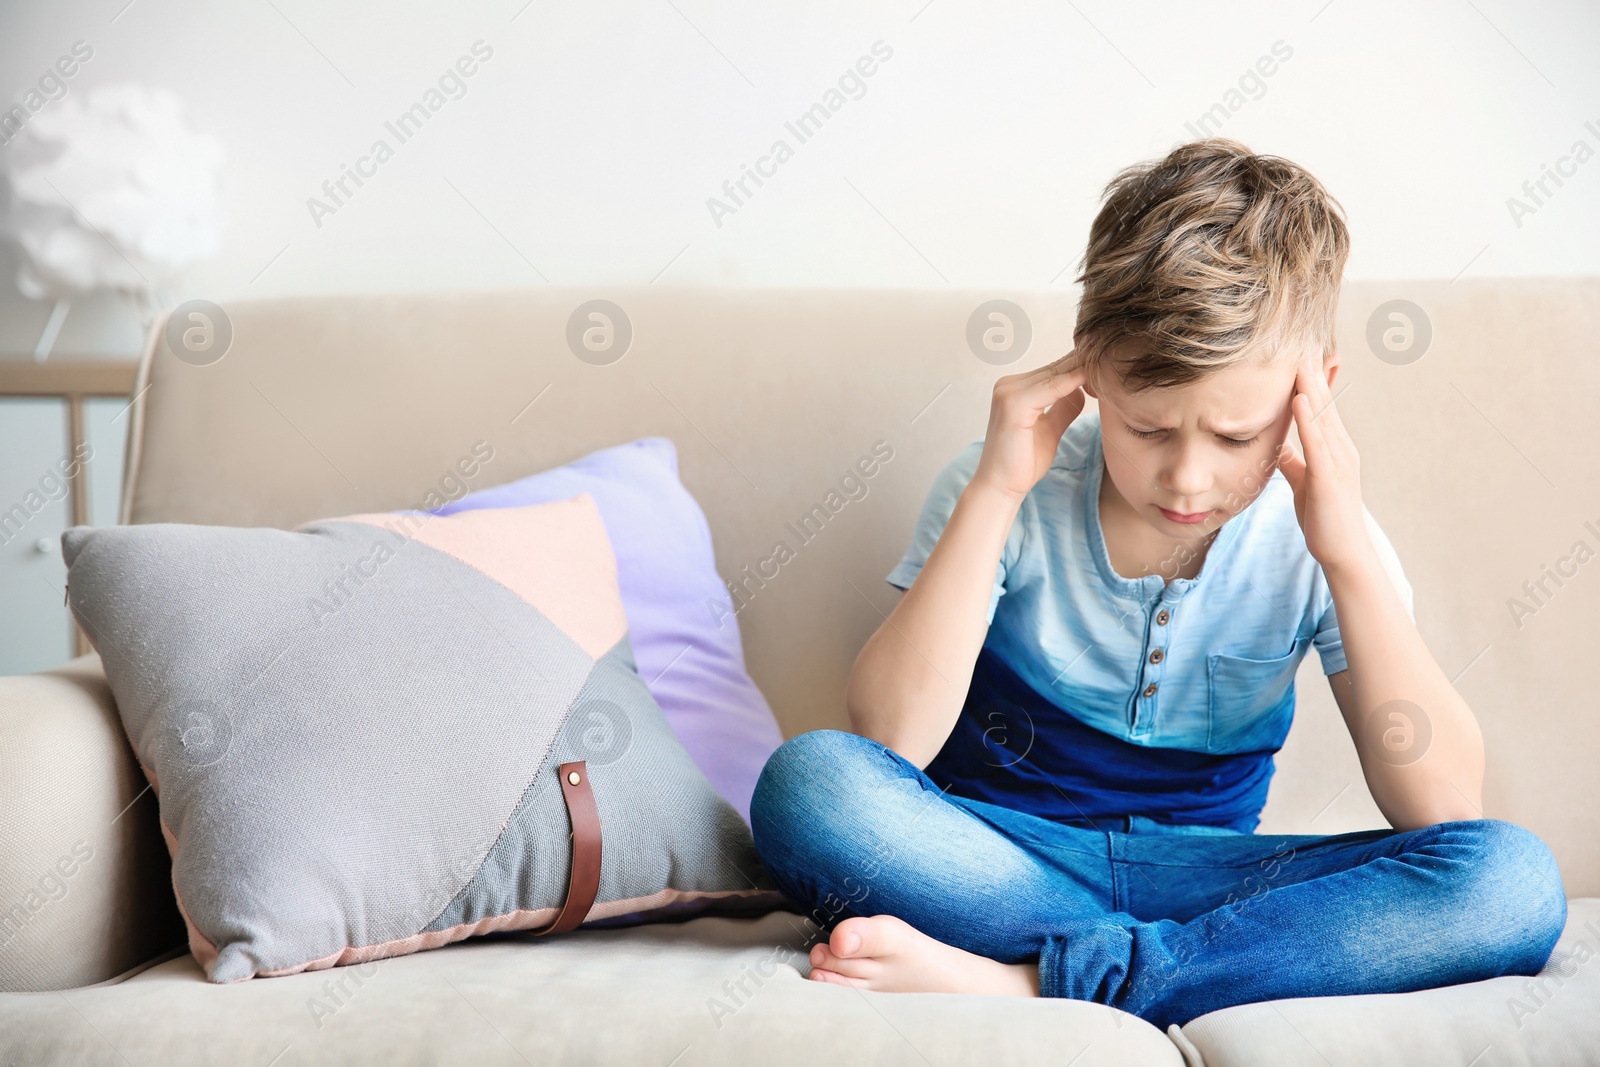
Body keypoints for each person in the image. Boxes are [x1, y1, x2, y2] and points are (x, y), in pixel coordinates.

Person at [748, 138, 1566, 1031]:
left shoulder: (1327, 540)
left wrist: (1346, 557)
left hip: (1216, 878)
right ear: (1090, 366)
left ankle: (1032, 979)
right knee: (810, 784)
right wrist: (996, 490)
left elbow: (1443, 806)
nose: (1185, 479)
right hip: (1005, 856)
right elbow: (890, 741)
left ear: (1311, 396)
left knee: (1510, 880)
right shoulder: (1006, 491)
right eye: (1148, 429)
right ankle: (1194, 968)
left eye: (1233, 437)